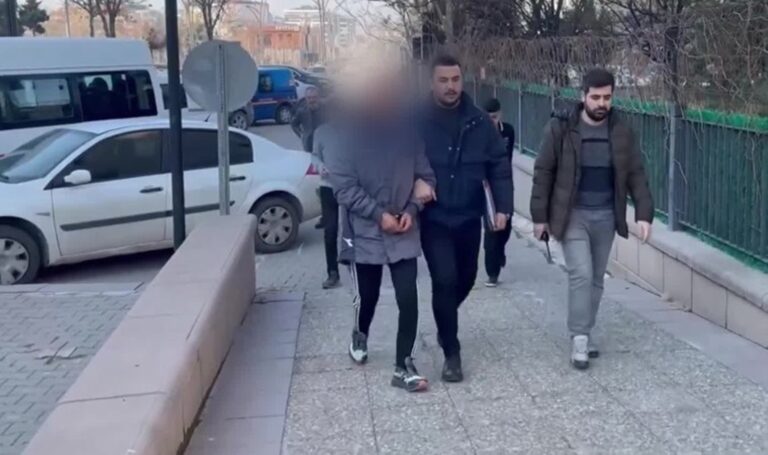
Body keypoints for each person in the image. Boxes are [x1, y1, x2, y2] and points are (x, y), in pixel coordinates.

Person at [530, 68, 654, 370]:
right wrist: (539, 217)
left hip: (606, 215)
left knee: (597, 278)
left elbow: (636, 173)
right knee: (582, 274)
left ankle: (586, 328)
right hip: (572, 214)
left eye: (607, 97)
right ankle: (580, 337)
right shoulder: (561, 128)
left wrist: (644, 213)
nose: (601, 103)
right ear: (583, 95)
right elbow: (543, 171)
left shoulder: (621, 131)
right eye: (596, 97)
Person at [327, 69, 437, 392]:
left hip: (403, 230)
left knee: (409, 298)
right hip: (365, 233)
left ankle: (404, 365)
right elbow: (344, 189)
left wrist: (412, 210)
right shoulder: (345, 139)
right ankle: (360, 333)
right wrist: (378, 215)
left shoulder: (408, 136)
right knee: (369, 296)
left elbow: (426, 177)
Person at [419, 55, 514, 383]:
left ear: (463, 80)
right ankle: (452, 352)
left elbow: (499, 166)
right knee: (444, 279)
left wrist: (503, 208)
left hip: (469, 215)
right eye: (443, 80)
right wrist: (413, 183)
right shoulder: (416, 119)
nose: (450, 86)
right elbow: (399, 158)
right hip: (433, 217)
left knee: (467, 277)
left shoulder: (479, 121)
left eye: (455, 79)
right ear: (432, 82)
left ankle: (444, 317)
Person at [482, 98, 516, 287]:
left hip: (504, 181)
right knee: (491, 227)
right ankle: (492, 272)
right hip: (486, 185)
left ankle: (500, 249)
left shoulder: (508, 131)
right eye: (488, 118)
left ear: (500, 115)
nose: (491, 122)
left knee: (506, 226)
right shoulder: (477, 134)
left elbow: (508, 157)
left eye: (494, 118)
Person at [312, 118, 342, 289]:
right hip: (328, 187)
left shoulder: (356, 130)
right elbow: (315, 156)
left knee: (354, 230)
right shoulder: (321, 132)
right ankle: (332, 272)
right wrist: (320, 167)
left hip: (350, 187)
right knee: (330, 231)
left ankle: (361, 267)